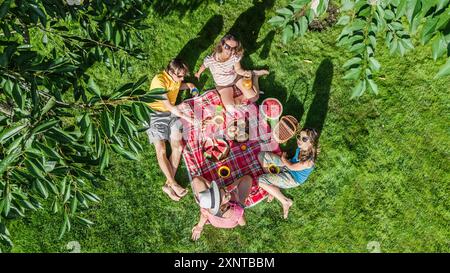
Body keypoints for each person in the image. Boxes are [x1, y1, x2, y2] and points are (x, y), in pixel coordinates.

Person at [146, 58, 197, 201]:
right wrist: (190, 119)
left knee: (178, 148)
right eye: (179, 75)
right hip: (157, 115)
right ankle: (173, 184)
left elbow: (178, 86)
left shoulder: (175, 79)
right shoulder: (159, 81)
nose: (181, 78)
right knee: (161, 149)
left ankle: (168, 185)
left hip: (172, 114)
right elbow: (169, 106)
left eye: (183, 76)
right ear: (170, 72)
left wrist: (191, 85)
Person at [194, 34, 269, 111]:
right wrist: (198, 73)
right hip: (222, 85)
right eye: (227, 47)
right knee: (230, 109)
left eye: (233, 48)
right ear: (221, 44)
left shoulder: (234, 56)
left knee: (254, 98)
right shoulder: (210, 59)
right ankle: (239, 99)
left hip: (235, 78)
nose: (230, 51)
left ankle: (255, 76)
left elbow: (238, 69)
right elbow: (203, 66)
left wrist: (245, 73)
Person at [257, 128, 319, 219]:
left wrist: (283, 159)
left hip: (292, 178)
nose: (299, 140)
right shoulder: (302, 146)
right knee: (262, 156)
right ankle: (273, 186)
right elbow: (290, 164)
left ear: (311, 142)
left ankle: (285, 201)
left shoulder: (308, 161)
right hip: (288, 165)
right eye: (299, 137)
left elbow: (291, 167)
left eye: (304, 139)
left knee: (260, 180)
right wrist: (285, 160)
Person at [190, 175, 252, 241]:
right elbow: (242, 224)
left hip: (215, 222)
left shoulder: (206, 210)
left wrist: (199, 227)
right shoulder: (236, 211)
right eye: (226, 195)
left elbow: (203, 217)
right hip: (232, 214)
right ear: (222, 207)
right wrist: (231, 187)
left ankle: (212, 194)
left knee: (196, 180)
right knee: (247, 179)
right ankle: (215, 192)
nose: (227, 192)